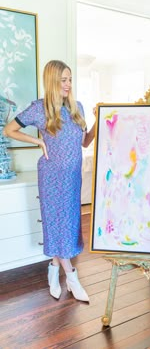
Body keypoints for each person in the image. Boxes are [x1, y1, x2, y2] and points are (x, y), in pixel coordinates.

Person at [3, 60, 96, 302]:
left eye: (70, 79)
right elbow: (9, 130)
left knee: (67, 225)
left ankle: (53, 269)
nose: (68, 84)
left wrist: (98, 121)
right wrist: (38, 141)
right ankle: (72, 278)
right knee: (59, 225)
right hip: (52, 177)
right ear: (52, 81)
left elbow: (85, 143)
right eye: (63, 80)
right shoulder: (39, 108)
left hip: (73, 178)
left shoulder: (78, 108)